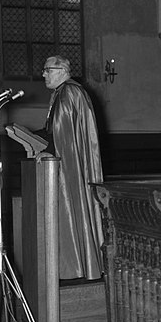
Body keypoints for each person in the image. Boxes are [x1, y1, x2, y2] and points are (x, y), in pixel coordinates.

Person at [36, 55, 104, 281]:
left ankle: (75, 266)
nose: (44, 73)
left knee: (71, 206)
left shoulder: (69, 92)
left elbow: (64, 134)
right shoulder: (63, 93)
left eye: (48, 69)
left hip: (69, 167)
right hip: (66, 163)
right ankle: (71, 264)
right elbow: (55, 131)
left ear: (63, 70)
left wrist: (50, 150)